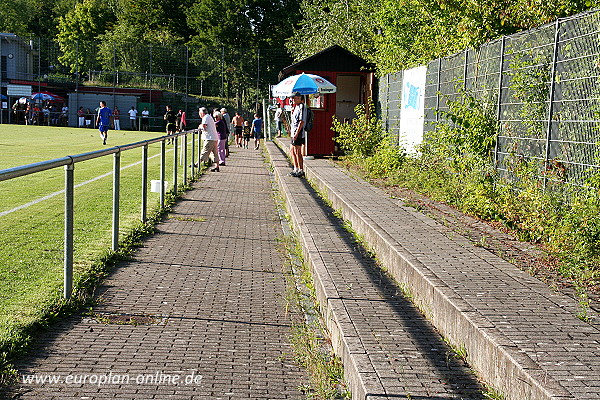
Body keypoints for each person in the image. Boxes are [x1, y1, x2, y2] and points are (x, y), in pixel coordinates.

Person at [289, 92, 306, 177]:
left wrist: (296, 133)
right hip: (293, 132)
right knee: (292, 150)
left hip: (298, 133)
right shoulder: (296, 107)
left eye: (294, 98)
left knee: (297, 151)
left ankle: (301, 169)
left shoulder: (302, 107)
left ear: (299, 98)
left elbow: (301, 121)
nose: (292, 100)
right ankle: (295, 168)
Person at [198, 107, 220, 172]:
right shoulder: (209, 117)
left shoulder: (205, 118)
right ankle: (217, 166)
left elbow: (204, 126)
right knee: (214, 153)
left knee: (205, 151)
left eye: (199, 113)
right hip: (214, 137)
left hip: (210, 138)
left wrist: (200, 126)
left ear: (202, 113)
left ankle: (197, 164)